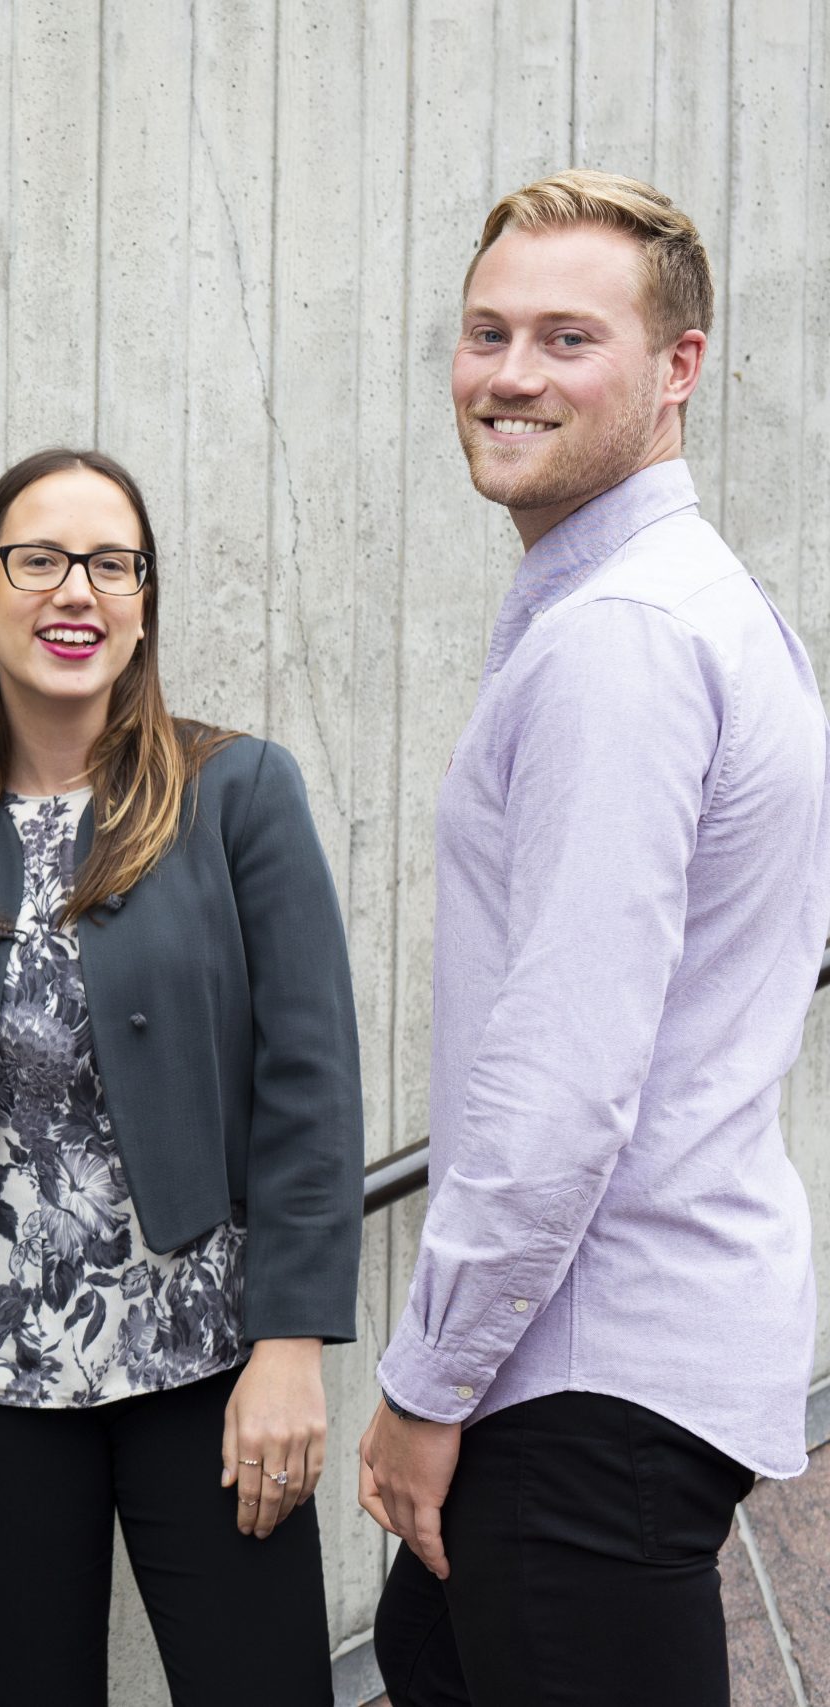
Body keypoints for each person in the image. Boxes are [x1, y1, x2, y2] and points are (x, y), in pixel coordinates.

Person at [361, 169, 829, 1707]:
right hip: (600, 1372)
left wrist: (425, 1380)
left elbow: (561, 1081)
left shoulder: (623, 638)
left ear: (680, 365)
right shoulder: (668, 604)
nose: (509, 374)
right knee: (428, 1660)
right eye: (486, 331)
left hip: (580, 1374)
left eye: (570, 337)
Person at [0, 448, 364, 1706]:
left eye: (113, 564)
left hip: (204, 1359)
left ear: (142, 600)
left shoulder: (238, 792)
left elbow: (310, 1085)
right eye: (40, 561)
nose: (78, 591)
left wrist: (290, 1344)